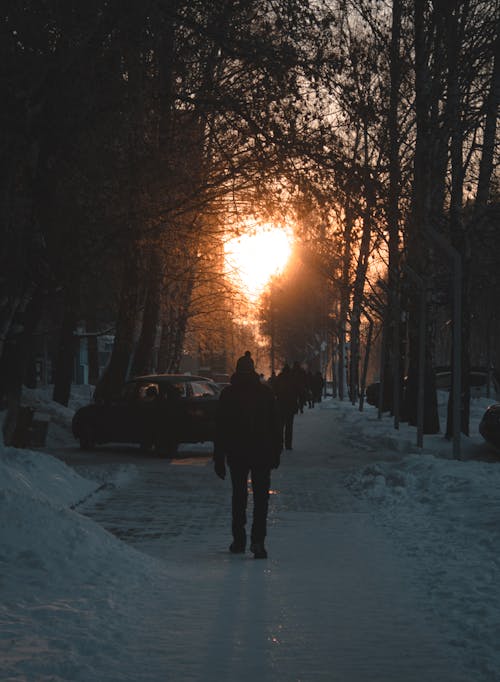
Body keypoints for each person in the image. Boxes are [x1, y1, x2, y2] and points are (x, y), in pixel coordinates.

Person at [214, 353, 283, 559]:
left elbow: (220, 429)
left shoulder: (228, 394)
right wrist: (276, 452)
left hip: (237, 453)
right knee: (261, 499)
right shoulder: (265, 393)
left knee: (239, 497)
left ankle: (239, 540)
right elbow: (276, 425)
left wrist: (219, 458)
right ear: (253, 370)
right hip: (262, 453)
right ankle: (258, 541)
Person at [273, 363, 300, 450]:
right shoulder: (293, 379)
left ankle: (280, 444)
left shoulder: (279, 378)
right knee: (289, 426)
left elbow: (275, 390)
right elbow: (297, 391)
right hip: (291, 405)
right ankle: (288, 445)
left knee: (280, 426)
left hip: (281, 404)